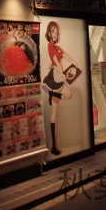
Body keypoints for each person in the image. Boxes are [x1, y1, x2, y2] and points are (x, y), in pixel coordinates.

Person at [42, 21, 80, 156]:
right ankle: (54, 147)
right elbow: (56, 61)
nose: (55, 34)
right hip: (55, 75)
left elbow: (64, 55)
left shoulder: (58, 47)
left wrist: (73, 62)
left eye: (56, 32)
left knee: (61, 103)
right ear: (49, 32)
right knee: (66, 96)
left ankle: (52, 94)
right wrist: (62, 74)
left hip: (58, 75)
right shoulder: (49, 46)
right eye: (53, 31)